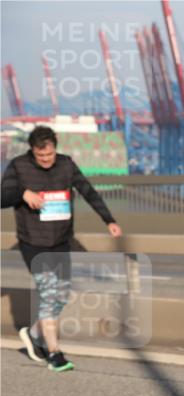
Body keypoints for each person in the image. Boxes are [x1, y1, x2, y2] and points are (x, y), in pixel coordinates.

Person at [1, 125, 123, 371]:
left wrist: (108, 219)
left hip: (60, 241)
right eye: (41, 156)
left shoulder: (66, 164)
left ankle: (34, 335)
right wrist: (22, 193)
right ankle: (54, 352)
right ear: (32, 151)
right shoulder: (18, 165)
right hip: (33, 242)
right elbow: (2, 196)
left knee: (62, 294)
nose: (46, 160)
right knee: (49, 292)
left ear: (55, 149)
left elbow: (88, 191)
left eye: (50, 155)